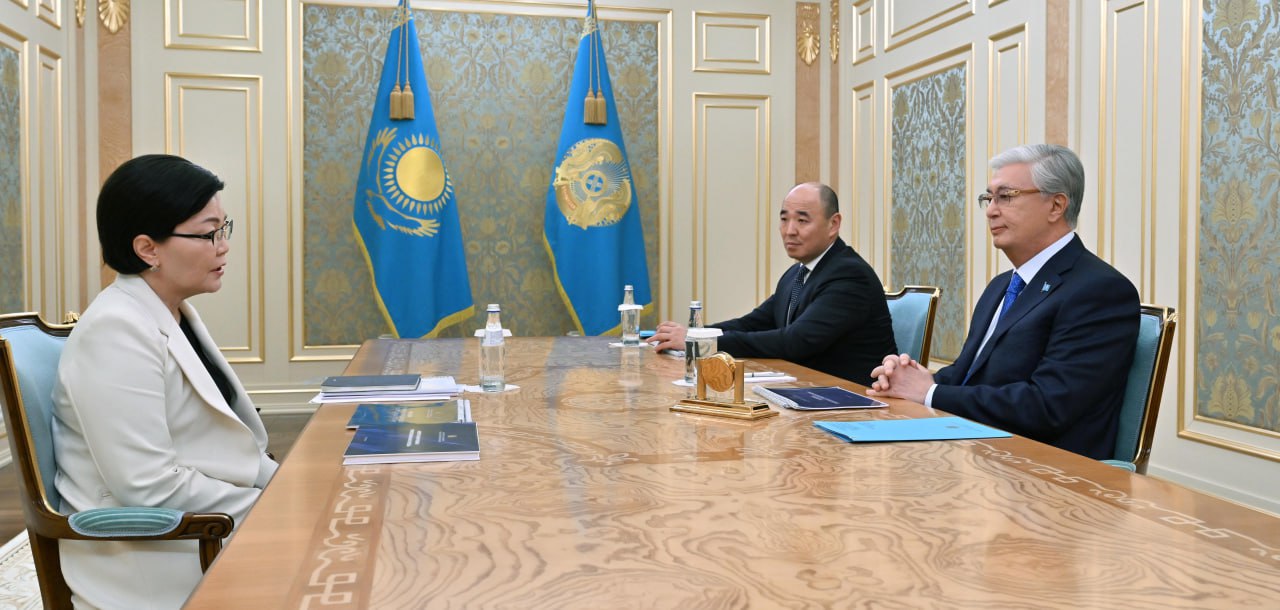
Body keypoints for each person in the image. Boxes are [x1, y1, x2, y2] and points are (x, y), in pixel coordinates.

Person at [52, 154, 278, 609]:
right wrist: (275, 507)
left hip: (201, 527)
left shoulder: (172, 312)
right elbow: (148, 486)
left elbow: (227, 448)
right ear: (147, 249)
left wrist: (291, 486)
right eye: (208, 234)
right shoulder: (116, 329)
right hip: (155, 555)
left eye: (224, 228)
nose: (223, 246)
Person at [868, 144, 1139, 459]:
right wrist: (912, 379)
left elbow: (1047, 406)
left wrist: (930, 393)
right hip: (975, 451)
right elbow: (968, 375)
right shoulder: (1001, 286)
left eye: (1006, 197)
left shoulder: (1100, 291)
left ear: (1056, 206)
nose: (991, 211)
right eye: (989, 198)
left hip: (1041, 469)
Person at [650, 182, 896, 385]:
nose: (789, 230)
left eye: (802, 221)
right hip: (804, 389)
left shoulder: (849, 275)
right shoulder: (797, 273)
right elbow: (752, 323)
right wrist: (696, 334)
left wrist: (703, 343)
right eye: (784, 219)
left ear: (833, 224)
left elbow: (795, 341)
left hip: (851, 400)